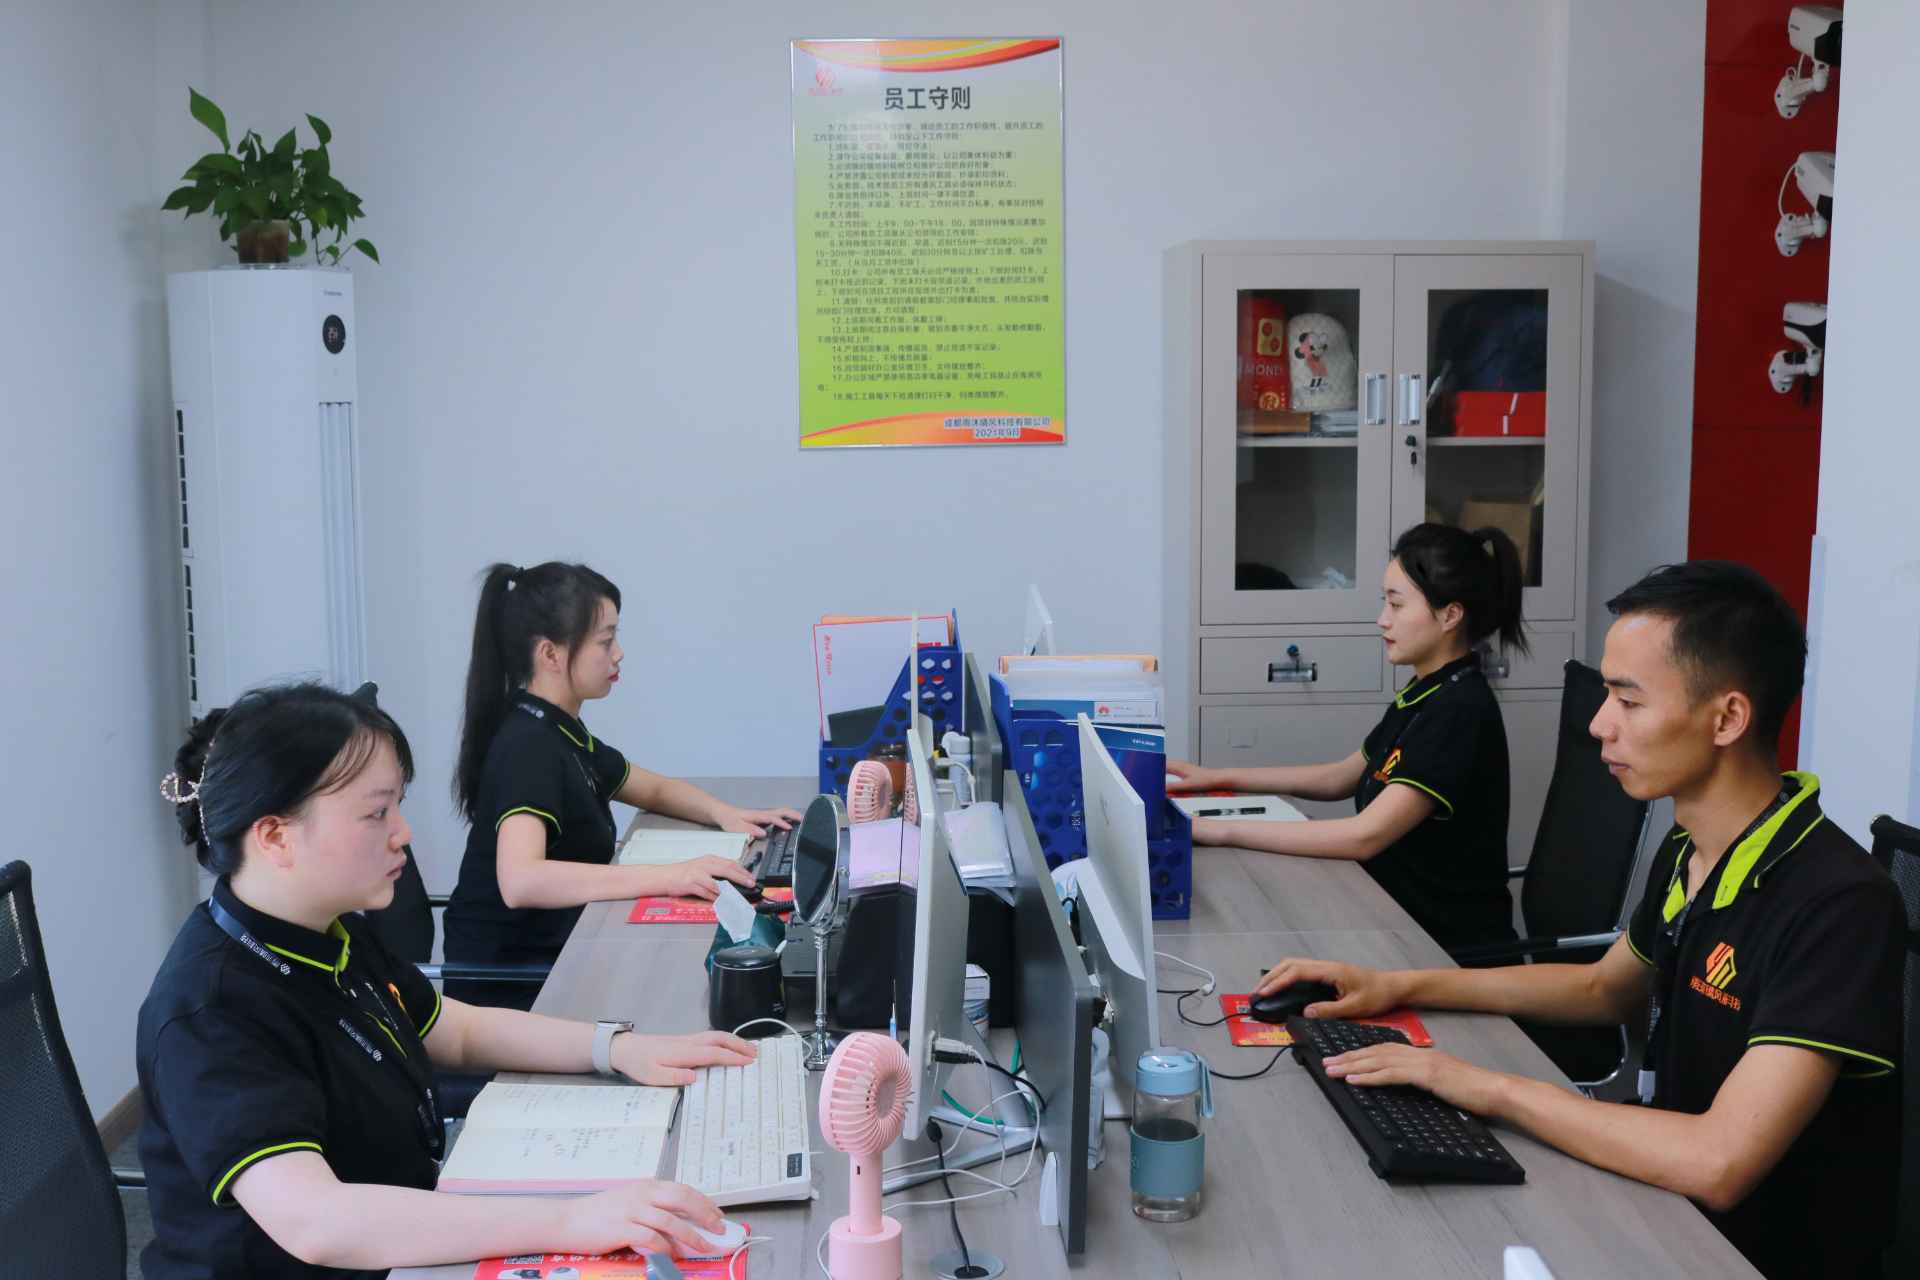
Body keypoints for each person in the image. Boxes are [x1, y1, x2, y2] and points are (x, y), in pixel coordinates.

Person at [1255, 562, 1904, 1279]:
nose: (1599, 724)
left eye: (1628, 700)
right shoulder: (1693, 848)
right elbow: (1603, 989)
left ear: (1726, 719)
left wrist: (1484, 1087)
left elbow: (1719, 1161)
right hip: (1660, 1208)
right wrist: (1394, 985)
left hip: (1745, 1255)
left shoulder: (1839, 902)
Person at [137, 683, 752, 1278]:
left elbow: (455, 1030)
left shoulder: (329, 932)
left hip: (403, 1246)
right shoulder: (211, 1007)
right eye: (377, 812)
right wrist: (571, 1220)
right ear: (276, 837)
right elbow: (317, 1221)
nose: (403, 832)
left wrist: (617, 1047)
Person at [443, 562, 800, 1009]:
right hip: (516, 985)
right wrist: (670, 876)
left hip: (565, 948)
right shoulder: (528, 746)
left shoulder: (558, 728)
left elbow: (649, 788)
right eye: (605, 641)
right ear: (551, 654)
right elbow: (521, 880)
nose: (619, 653)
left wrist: (725, 814)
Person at [1169, 523, 1528, 949]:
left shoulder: (1459, 709)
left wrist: (1218, 831)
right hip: (1390, 914)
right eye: (1384, 603)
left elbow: (1363, 836)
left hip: (1440, 946)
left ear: (1450, 615)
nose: (1383, 620)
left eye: (1397, 605)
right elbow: (1342, 776)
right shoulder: (1427, 689)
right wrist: (1217, 778)